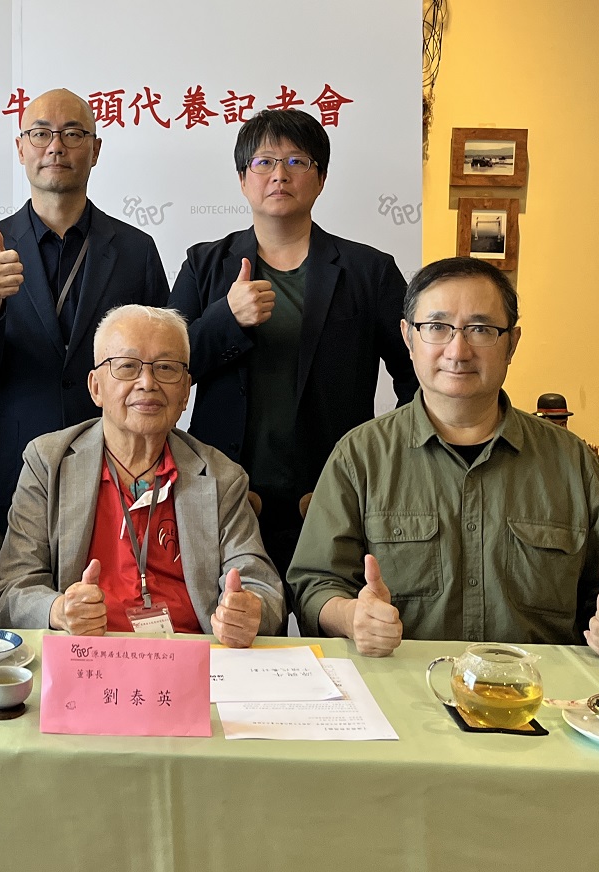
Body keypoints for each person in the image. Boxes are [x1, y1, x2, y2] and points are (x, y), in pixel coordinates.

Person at [288, 257, 599, 661]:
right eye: (437, 327)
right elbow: (315, 585)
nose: (458, 350)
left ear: (512, 343)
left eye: (481, 329)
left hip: (538, 691)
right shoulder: (360, 457)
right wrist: (352, 617)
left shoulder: (571, 461)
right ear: (408, 338)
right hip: (402, 689)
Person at [0, 88, 170, 623]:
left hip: (117, 480)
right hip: (9, 476)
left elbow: (161, 363)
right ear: (20, 148)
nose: (56, 146)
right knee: (7, 635)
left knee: (108, 629)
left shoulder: (135, 250)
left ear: (95, 150)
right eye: (41, 133)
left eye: (73, 133)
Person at [168, 108, 417, 577]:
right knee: (233, 620)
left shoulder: (369, 271)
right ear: (243, 179)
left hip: (333, 496)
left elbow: (418, 377)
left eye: (296, 161)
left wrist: (378, 471)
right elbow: (168, 371)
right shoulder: (204, 265)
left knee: (337, 618)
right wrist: (226, 318)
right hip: (227, 497)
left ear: (320, 179)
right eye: (264, 162)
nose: (279, 174)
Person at [0, 305, 284, 646]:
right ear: (96, 387)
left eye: (166, 367)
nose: (147, 383)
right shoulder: (48, 462)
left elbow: (263, 589)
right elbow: (11, 589)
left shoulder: (222, 477)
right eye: (127, 366)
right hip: (87, 655)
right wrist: (59, 610)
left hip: (191, 658)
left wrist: (248, 611)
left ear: (185, 391)